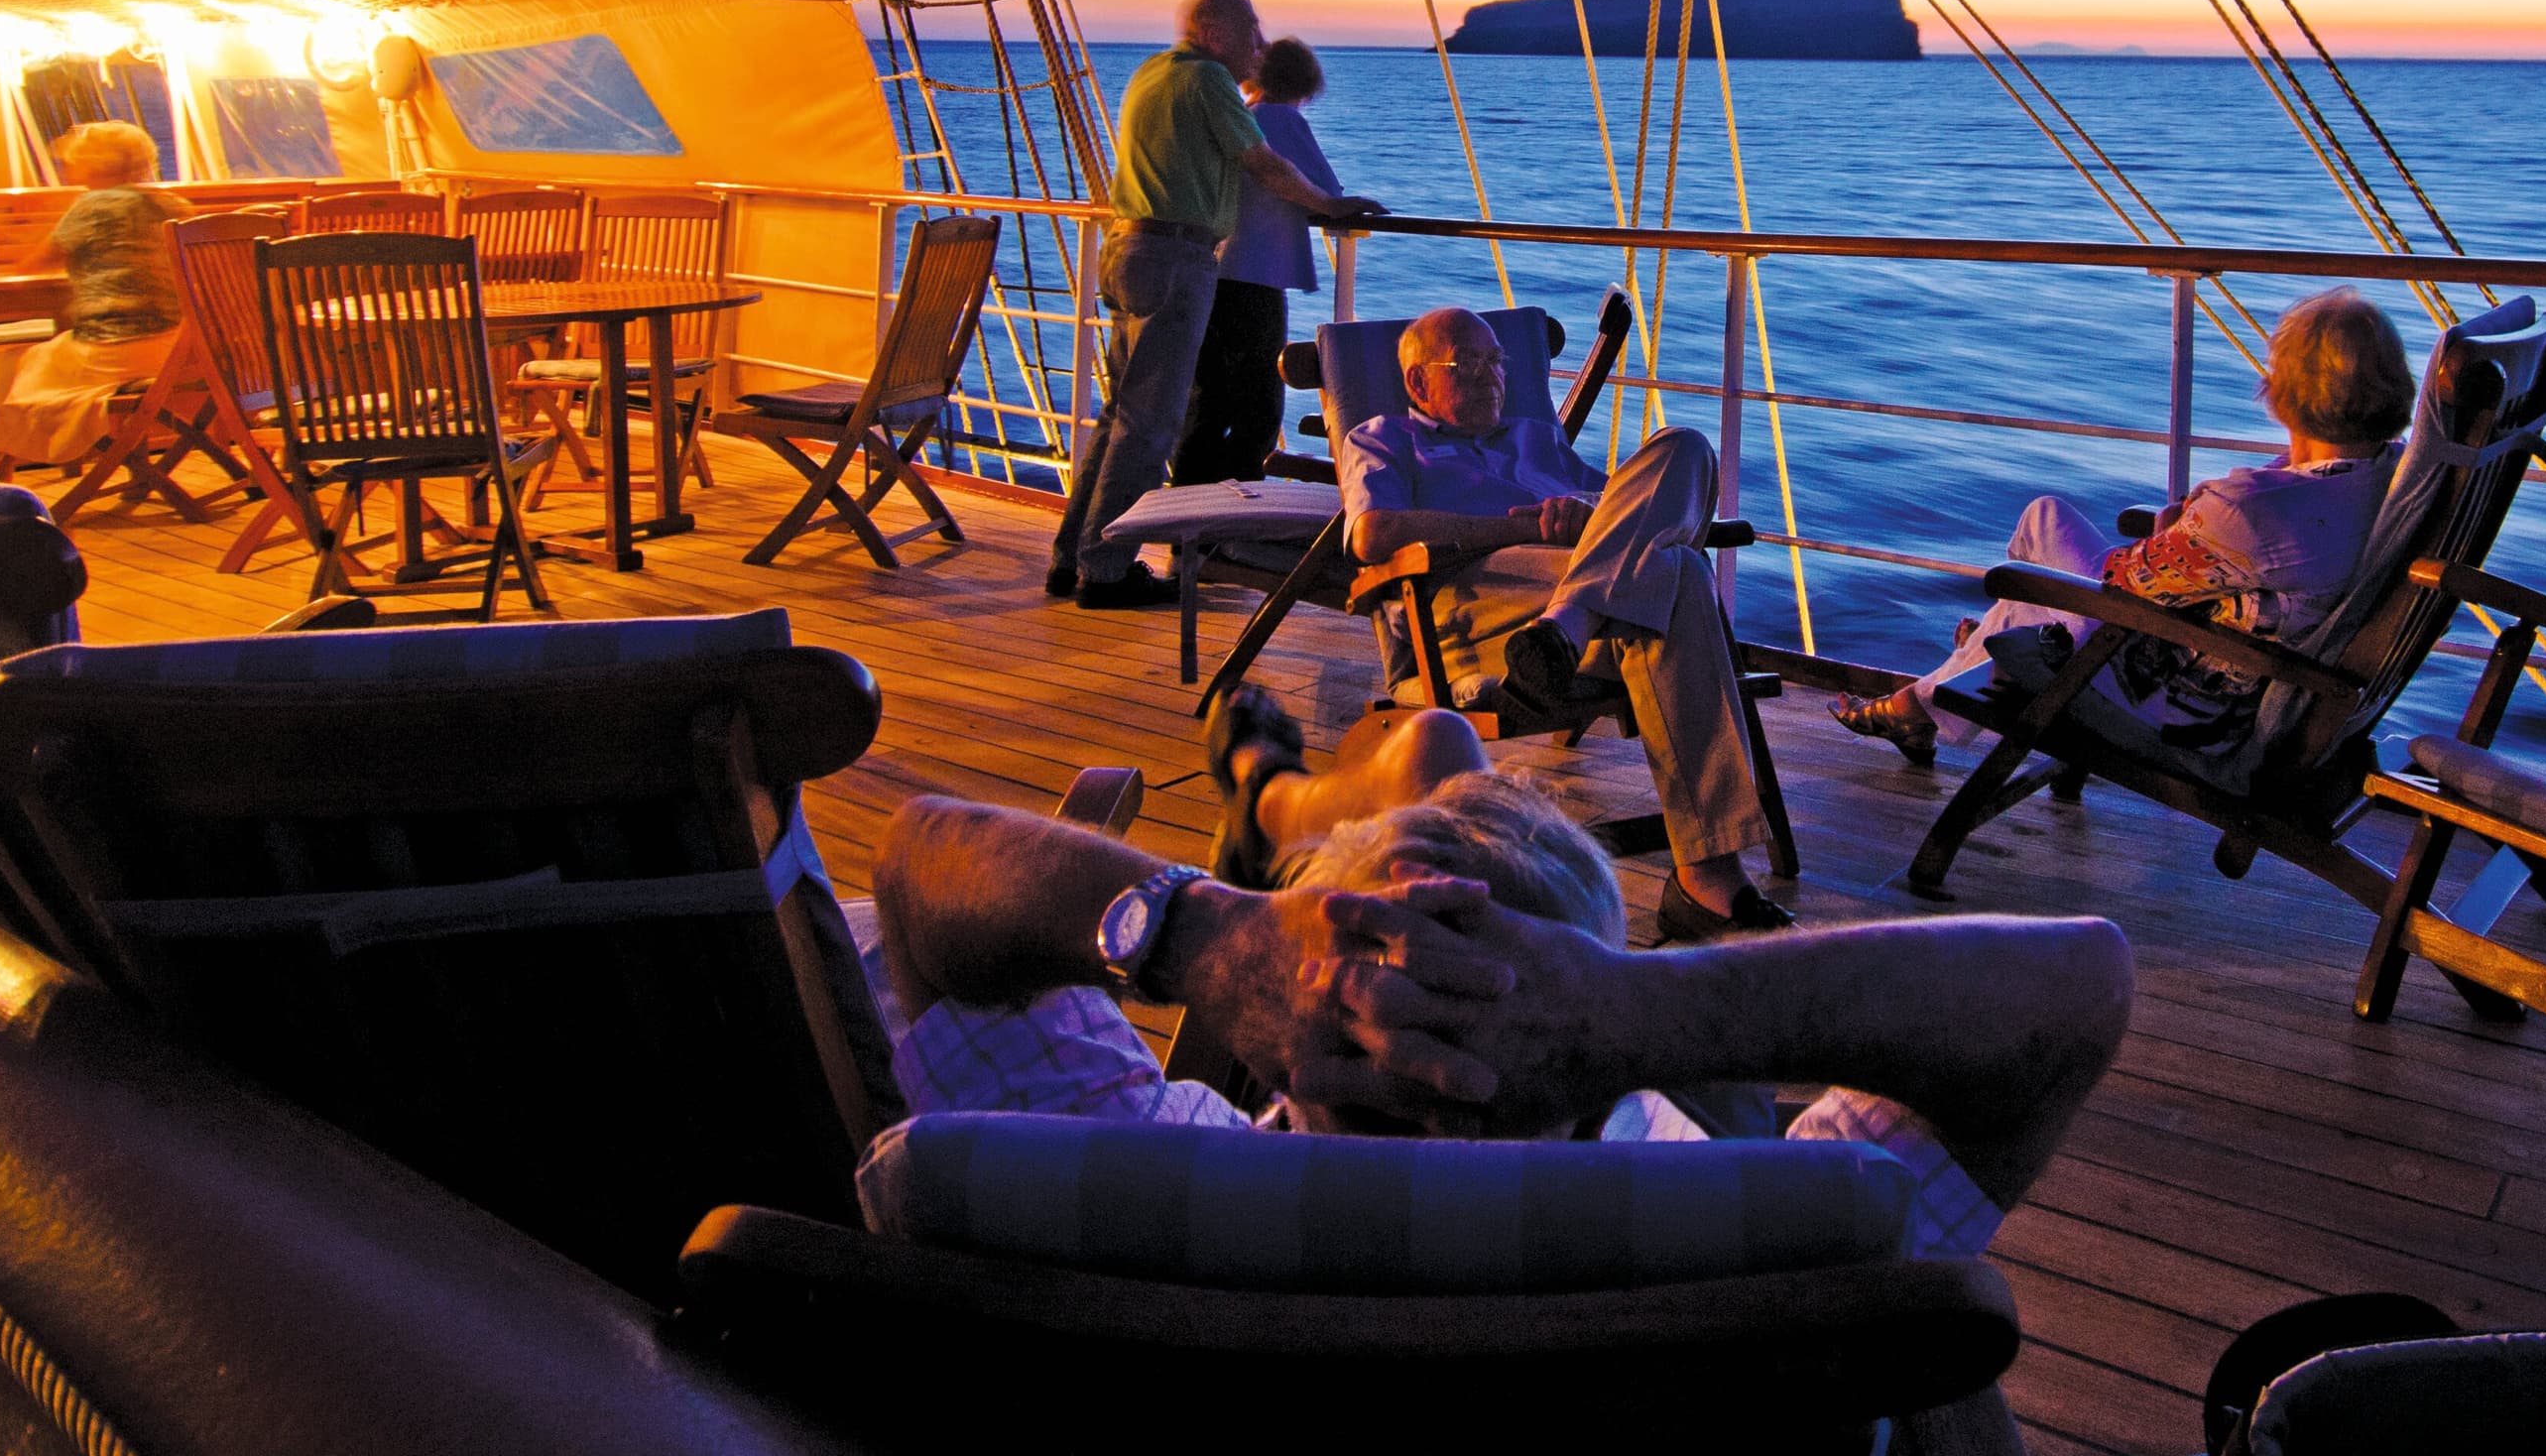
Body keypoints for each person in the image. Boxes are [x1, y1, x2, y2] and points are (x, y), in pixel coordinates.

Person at [865, 705, 2130, 1260]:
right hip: (1654, 1174)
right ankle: (1370, 787)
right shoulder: (1775, 1233)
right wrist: (1644, 1012)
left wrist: (1207, 939)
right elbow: (2078, 986)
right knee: (1736, 1095)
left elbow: (921, 866)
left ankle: (1291, 799)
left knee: (1439, 756)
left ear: (1290, 1023)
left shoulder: (1119, 1182)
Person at [1829, 287, 2416, 775]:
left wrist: (2175, 525)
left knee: (2034, 573)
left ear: (2281, 392)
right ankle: (1958, 672)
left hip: (2187, 706)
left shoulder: (2252, 511)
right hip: (2264, 689)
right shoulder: (2391, 479)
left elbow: (2119, 586)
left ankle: (1926, 697)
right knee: (2040, 559)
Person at [1337, 303, 1784, 938]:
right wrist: (1515, 526)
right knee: (1678, 572)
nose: (1494, 377)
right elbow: (1372, 535)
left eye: (1499, 362)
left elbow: (1632, 506)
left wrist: (1584, 511)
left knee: (1684, 449)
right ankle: (1708, 875)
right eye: (1469, 365)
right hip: (1483, 608)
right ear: (1418, 384)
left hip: (1573, 612)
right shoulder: (1383, 439)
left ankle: (1569, 621)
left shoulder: (1536, 437)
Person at [1046, 0, 1377, 609]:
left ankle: (1072, 557)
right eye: (1251, 31)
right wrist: (1332, 207)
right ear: (1215, 32)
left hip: (1127, 250)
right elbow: (1261, 164)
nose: (1260, 44)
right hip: (1174, 257)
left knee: (1120, 416)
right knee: (1149, 424)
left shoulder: (1154, 72)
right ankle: (1107, 569)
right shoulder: (1207, 80)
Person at [1172, 36, 1339, 486]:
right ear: (1303, 86)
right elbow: (1325, 192)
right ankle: (1237, 515)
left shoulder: (1241, 118)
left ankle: (1185, 520)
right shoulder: (1282, 120)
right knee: (1260, 406)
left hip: (1214, 272)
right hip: (1255, 279)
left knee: (1208, 403)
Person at [0, 121, 183, 470]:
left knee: (6, 367)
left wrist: (13, 233)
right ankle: (134, 467)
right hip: (176, 349)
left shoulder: (92, 206)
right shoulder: (169, 205)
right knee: (50, 354)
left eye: (70, 161)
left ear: (94, 162)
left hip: (115, 352)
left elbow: (37, 262)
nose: (67, 168)